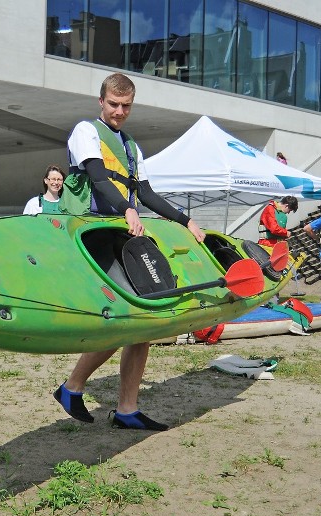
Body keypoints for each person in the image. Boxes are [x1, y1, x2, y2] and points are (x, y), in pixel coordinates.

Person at [54, 72, 205, 431]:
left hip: (119, 229)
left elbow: (147, 193)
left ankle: (122, 407)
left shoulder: (132, 145)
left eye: (126, 106)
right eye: (113, 104)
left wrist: (186, 221)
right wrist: (126, 209)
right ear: (101, 102)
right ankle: (74, 387)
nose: (119, 111)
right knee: (125, 317)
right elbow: (97, 177)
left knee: (142, 321)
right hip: (89, 231)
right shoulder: (86, 131)